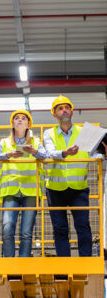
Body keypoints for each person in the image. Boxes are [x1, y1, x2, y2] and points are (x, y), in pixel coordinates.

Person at [43, 95, 107, 257]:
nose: (64, 110)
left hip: (79, 189)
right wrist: (65, 152)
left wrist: (104, 154)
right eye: (60, 108)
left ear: (71, 111)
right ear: (54, 114)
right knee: (60, 229)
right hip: (55, 190)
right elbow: (50, 153)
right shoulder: (49, 133)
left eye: (67, 107)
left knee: (83, 226)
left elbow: (93, 155)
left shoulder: (84, 132)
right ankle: (65, 268)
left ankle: (84, 265)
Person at [0, 109, 47, 257]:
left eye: (23, 118)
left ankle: (23, 263)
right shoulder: (5, 142)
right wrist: (8, 155)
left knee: (26, 232)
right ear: (13, 123)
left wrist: (34, 151)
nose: (20, 120)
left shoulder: (35, 142)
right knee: (8, 228)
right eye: (17, 118)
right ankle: (10, 264)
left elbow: (45, 156)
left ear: (28, 124)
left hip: (31, 192)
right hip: (11, 191)